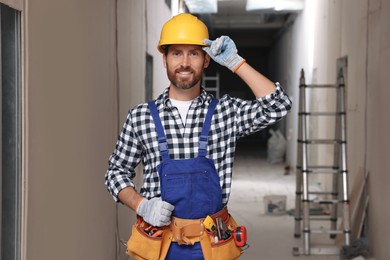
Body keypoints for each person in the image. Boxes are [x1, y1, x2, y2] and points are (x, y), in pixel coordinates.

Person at [105, 13, 292, 259]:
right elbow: (115, 173)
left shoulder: (226, 113)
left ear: (206, 59)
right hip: (157, 243)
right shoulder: (141, 117)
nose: (184, 62)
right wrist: (142, 204)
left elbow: (278, 105)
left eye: (193, 53)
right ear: (164, 59)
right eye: (176, 53)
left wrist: (236, 63)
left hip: (212, 244)